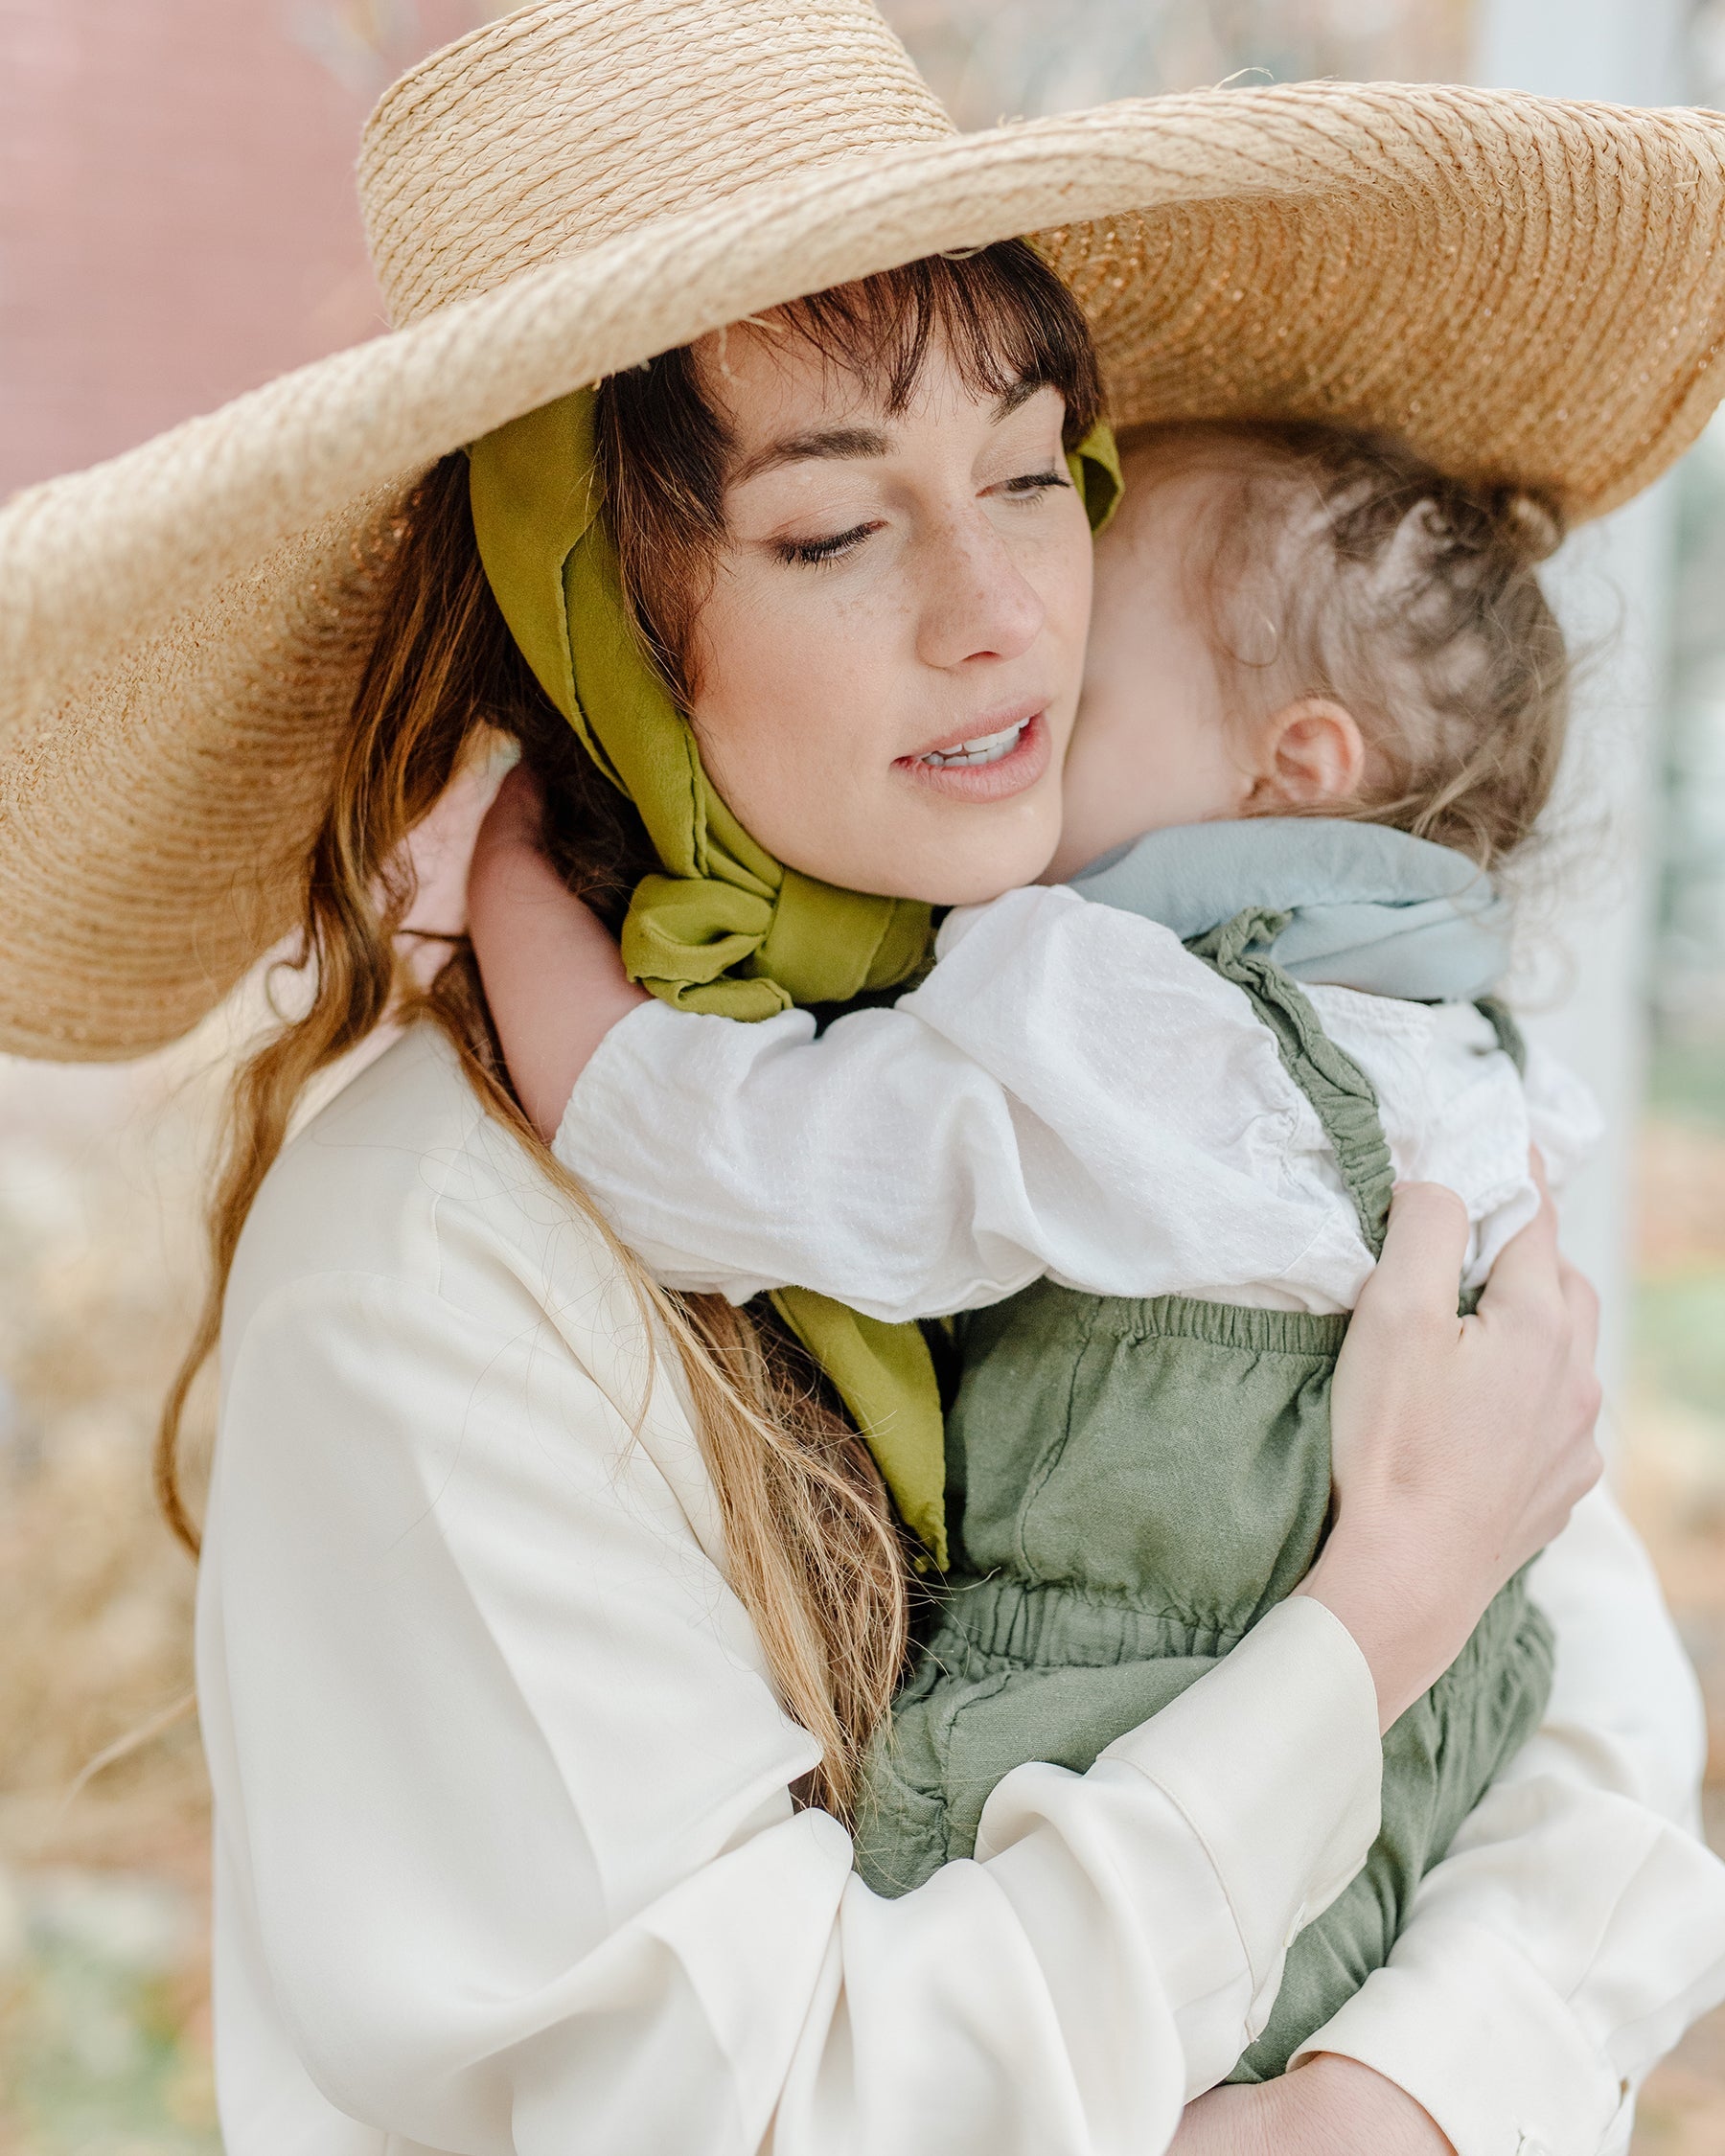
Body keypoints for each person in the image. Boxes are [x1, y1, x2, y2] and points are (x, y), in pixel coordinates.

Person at [5, 4, 1725, 2149]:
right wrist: (1363, 1628)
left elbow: (1599, 1720)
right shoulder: (437, 1259)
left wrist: (1395, 2096)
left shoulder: (1169, 1029)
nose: (1006, 611)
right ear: (605, 635)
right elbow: (782, 2101)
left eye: (1029, 476)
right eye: (836, 533)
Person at [465, 415, 1617, 2081]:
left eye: (1089, 698)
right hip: (1395, 1846)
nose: (1026, 676)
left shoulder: (1128, 1028)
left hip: (1075, 1813)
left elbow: (709, 1159)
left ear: (1291, 768)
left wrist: (513, 885)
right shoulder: (1490, 1078)